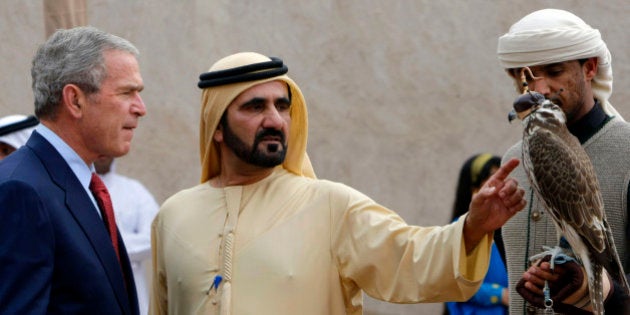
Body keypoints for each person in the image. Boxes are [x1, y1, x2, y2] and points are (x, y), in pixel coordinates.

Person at [149, 52, 526, 315]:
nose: (275, 120)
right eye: (254, 107)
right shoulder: (174, 216)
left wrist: (474, 227)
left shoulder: (329, 206)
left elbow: (411, 258)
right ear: (216, 126)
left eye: (282, 106)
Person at [0, 26, 146, 314]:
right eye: (127, 92)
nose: (141, 108)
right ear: (75, 100)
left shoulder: (81, 183)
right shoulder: (22, 191)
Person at [497, 8, 630, 314]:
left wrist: (599, 291)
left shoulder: (626, 153)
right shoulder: (513, 160)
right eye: (527, 77)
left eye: (555, 73)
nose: (540, 89)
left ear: (590, 68)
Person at [95, 156, 160, 315]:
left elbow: (155, 237)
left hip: (133, 294)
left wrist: (101, 245)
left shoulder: (134, 190)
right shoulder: (75, 190)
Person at [446, 153, 508, 315]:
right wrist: (500, 295)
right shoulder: (462, 231)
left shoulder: (506, 230)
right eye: (492, 182)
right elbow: (452, 282)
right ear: (474, 190)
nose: (500, 188)